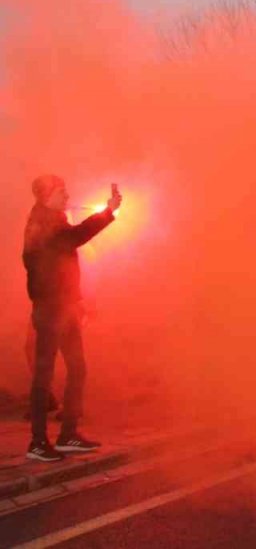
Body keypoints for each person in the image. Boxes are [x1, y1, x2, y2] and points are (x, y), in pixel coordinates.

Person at [22, 175, 121, 462]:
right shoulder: (42, 222)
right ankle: (38, 443)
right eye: (61, 191)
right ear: (46, 195)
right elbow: (73, 239)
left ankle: (68, 435)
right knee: (44, 376)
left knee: (77, 368)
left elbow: (65, 255)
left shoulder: (54, 219)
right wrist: (107, 212)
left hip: (63, 308)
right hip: (50, 310)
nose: (67, 195)